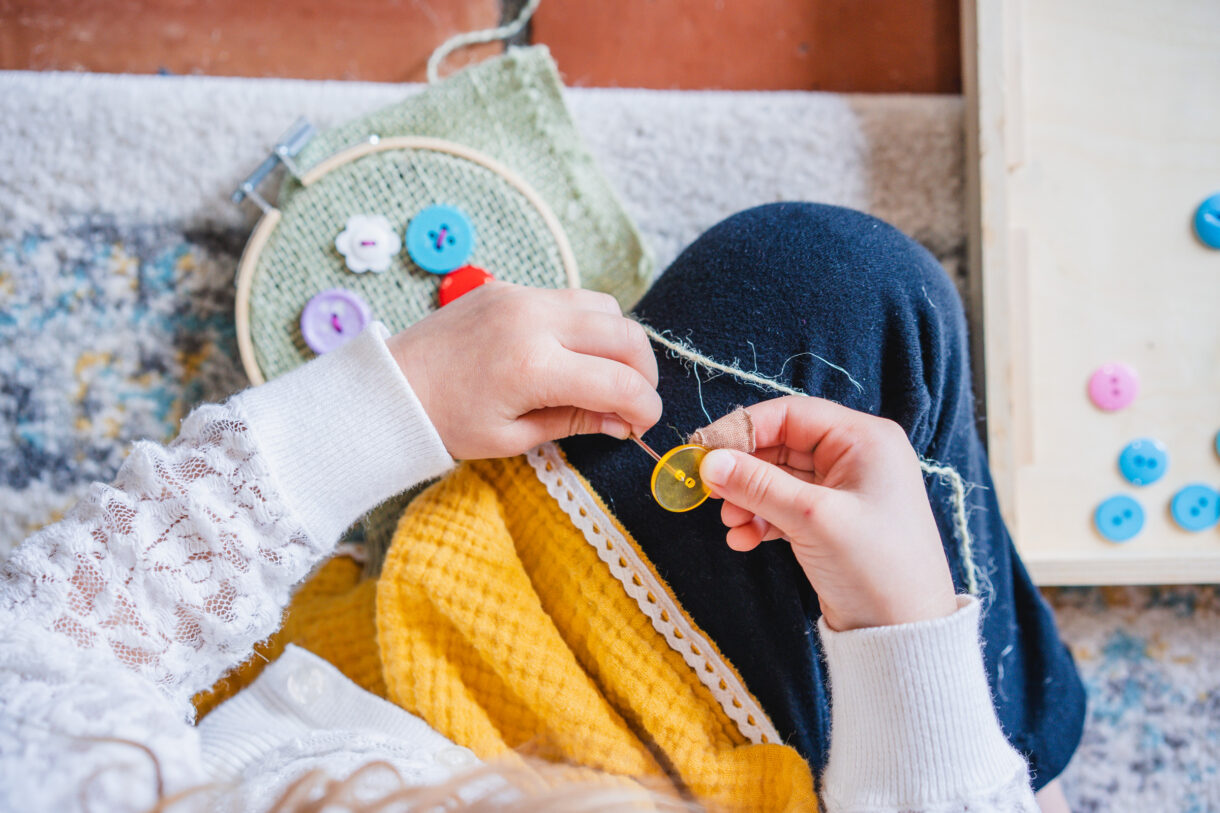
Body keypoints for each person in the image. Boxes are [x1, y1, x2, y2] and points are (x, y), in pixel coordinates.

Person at [0, 203, 1083, 812]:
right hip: (768, 775)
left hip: (425, 677)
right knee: (857, 309)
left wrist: (389, 405)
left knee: (813, 281)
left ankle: (1021, 714)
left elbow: (47, 658)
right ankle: (1021, 720)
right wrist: (902, 640)